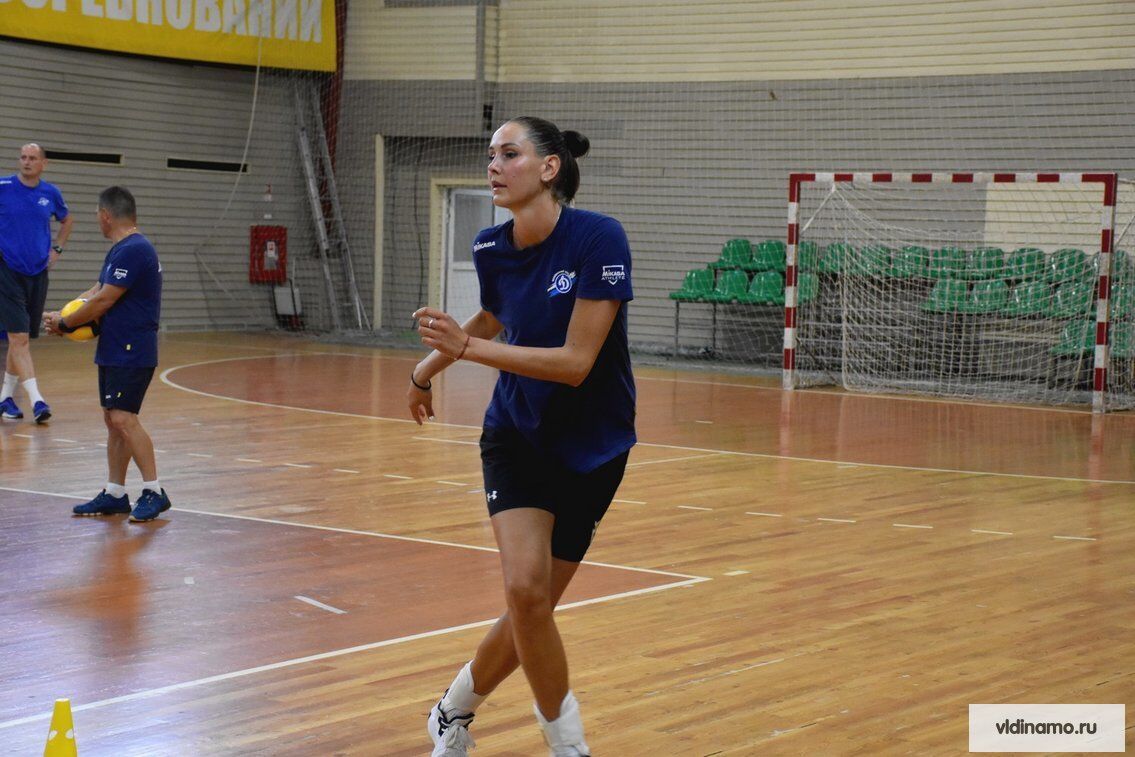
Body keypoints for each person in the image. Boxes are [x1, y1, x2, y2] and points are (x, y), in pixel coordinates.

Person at [409, 117, 636, 757]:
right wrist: (425, 370)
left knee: (531, 611)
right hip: (517, 436)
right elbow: (493, 316)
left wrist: (467, 348)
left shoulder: (599, 238)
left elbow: (575, 363)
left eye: (509, 154)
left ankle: (451, 711)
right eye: (491, 155)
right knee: (526, 591)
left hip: (594, 446)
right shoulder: (490, 246)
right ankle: (570, 747)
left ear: (548, 167)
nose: (494, 166)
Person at [43, 186, 171, 523]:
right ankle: (115, 493)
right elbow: (96, 291)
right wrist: (62, 315)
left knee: (123, 419)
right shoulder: (121, 249)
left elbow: (104, 300)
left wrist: (66, 324)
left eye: (97, 216)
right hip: (114, 348)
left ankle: (155, 491)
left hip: (132, 348)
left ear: (105, 215)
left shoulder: (135, 249)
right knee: (113, 421)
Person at [0, 143, 73, 423]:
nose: (26, 162)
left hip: (37, 273)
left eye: (32, 158)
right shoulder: (4, 186)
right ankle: (37, 400)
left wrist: (57, 249)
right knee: (18, 337)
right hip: (6, 271)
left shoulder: (51, 193)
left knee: (20, 339)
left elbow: (67, 220)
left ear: (44, 163)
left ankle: (5, 398)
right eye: (23, 157)